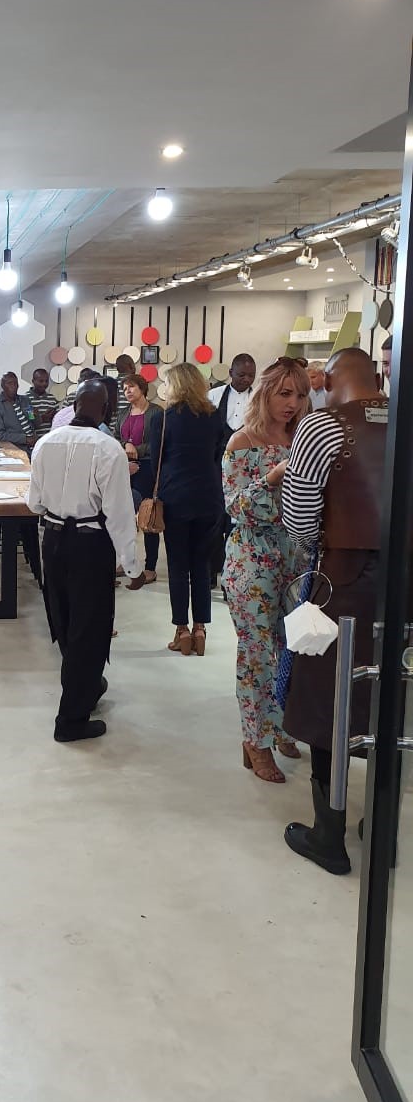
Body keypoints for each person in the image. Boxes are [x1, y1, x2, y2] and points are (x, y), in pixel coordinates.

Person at [281, 348, 391, 874]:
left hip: (343, 580)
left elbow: (299, 519)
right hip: (403, 581)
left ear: (328, 381)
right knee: (390, 697)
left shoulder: (320, 426)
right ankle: (383, 826)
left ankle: (329, 833)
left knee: (332, 699)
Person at [27, 379, 145, 743]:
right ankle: (71, 720)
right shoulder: (109, 449)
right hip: (91, 543)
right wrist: (133, 567)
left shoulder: (45, 443)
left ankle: (88, 686)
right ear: (106, 410)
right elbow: (120, 515)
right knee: (89, 628)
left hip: (53, 540)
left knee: (63, 620)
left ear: (74, 406)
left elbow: (34, 503)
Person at [222, 358, 310, 783]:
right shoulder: (242, 441)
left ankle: (282, 725)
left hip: (297, 557)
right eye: (284, 393)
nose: (293, 403)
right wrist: (272, 477)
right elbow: (235, 507)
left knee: (293, 649)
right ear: (265, 394)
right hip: (252, 558)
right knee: (257, 654)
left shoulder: (304, 440)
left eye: (300, 394)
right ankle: (255, 740)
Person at [148, 363, 225, 656]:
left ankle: (181, 630)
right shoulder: (214, 416)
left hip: (175, 497)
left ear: (176, 386)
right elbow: (217, 456)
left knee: (178, 566)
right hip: (209, 497)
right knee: (202, 565)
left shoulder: (163, 419)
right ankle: (201, 627)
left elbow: (156, 461)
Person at [208, 354, 257, 586]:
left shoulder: (259, 398)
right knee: (213, 518)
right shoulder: (213, 396)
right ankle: (210, 571)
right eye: (241, 375)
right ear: (230, 373)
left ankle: (231, 576)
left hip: (246, 465)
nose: (246, 379)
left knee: (236, 520)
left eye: (251, 375)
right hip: (215, 463)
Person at [119, 373, 162, 584]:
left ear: (142, 388)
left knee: (148, 516)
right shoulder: (123, 413)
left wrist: (137, 449)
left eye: (131, 387)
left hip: (148, 468)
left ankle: (150, 567)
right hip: (124, 468)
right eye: (125, 388)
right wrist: (125, 446)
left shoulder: (156, 412)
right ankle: (125, 561)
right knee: (124, 516)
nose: (127, 391)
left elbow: (159, 442)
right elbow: (115, 438)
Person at [0, 372, 37, 447]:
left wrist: (36, 416)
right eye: (9, 383)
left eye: (15, 383)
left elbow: (32, 419)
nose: (13, 386)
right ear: (2, 386)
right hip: (17, 448)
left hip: (34, 444)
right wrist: (25, 439)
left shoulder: (26, 400)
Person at [26, 367, 58, 437]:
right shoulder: (26, 399)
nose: (44, 384)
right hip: (34, 440)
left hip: (50, 439)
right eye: (41, 381)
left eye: (46, 381)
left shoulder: (52, 398)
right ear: (33, 381)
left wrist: (53, 417)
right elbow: (28, 421)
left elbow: (58, 420)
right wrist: (41, 418)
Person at [112, 354, 137, 437]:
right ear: (131, 366)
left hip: (112, 432)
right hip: (132, 431)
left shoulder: (110, 384)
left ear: (117, 369)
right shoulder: (136, 385)